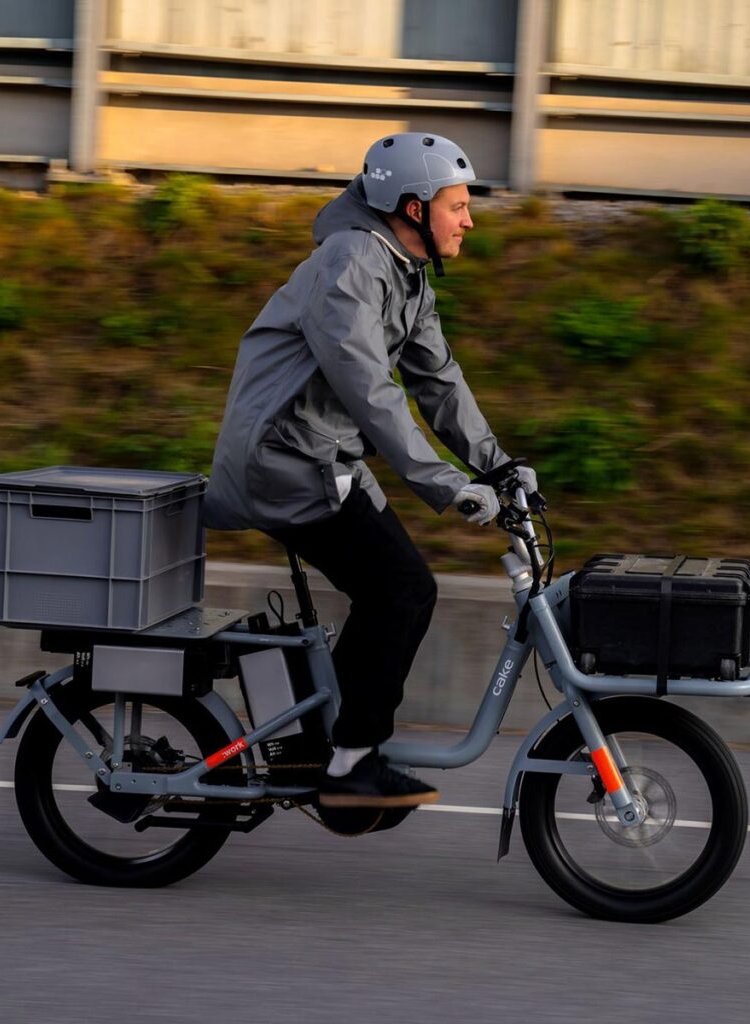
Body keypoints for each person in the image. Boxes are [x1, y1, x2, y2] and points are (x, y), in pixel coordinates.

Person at [204, 132, 536, 808]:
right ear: (413, 209)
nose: (468, 221)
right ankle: (350, 765)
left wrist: (499, 466)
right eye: (457, 206)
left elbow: (437, 380)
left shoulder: (405, 273)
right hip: (284, 462)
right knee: (403, 590)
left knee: (395, 588)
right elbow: (371, 394)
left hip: (323, 457)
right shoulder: (351, 264)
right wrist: (449, 486)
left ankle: (336, 746)